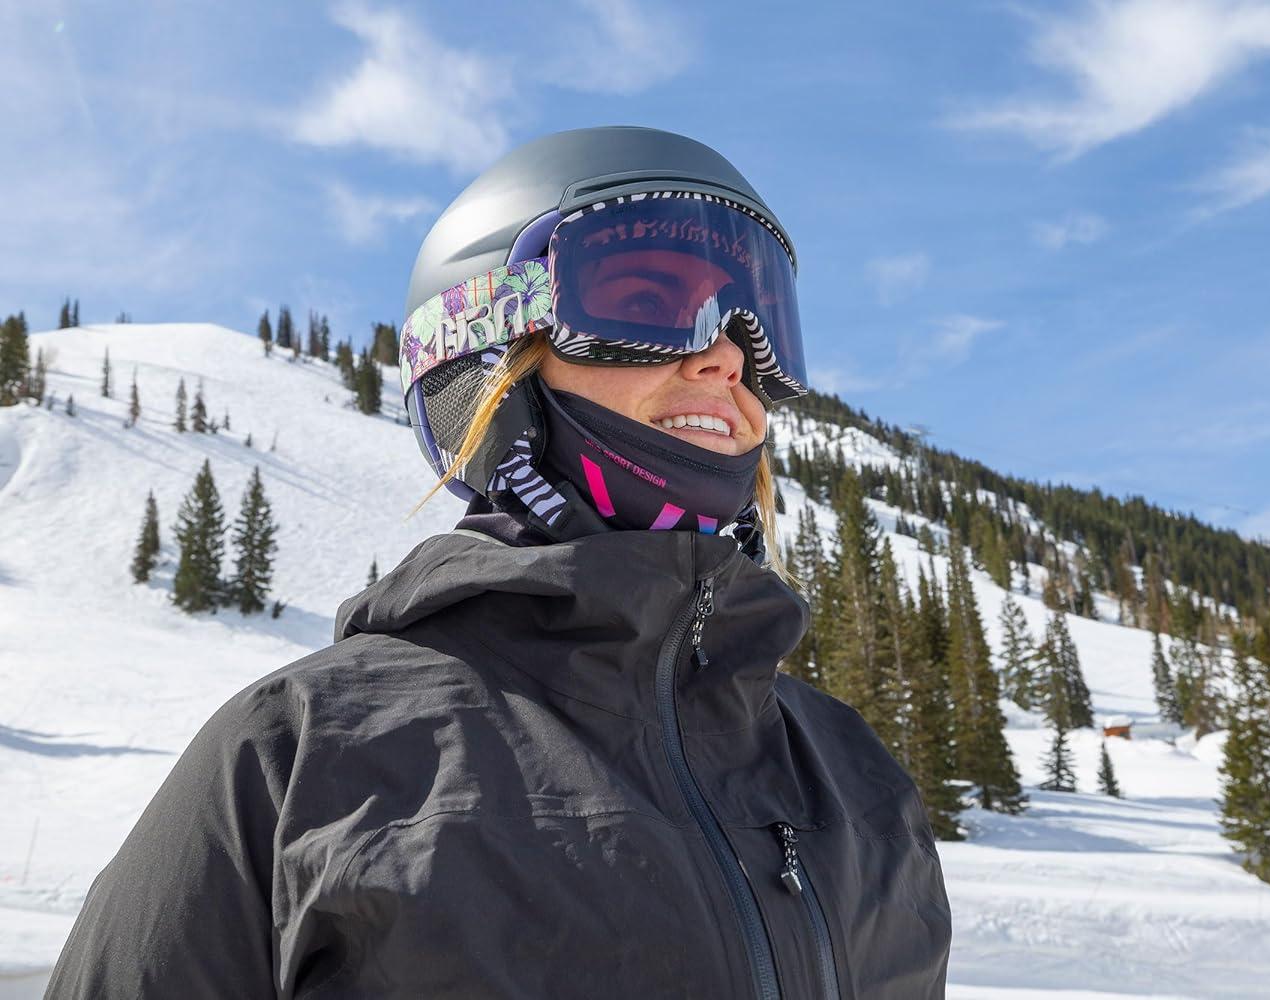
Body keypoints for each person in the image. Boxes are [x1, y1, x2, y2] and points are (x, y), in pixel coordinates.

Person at [46, 126, 951, 999]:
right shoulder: (303, 757)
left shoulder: (854, 775)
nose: (725, 358)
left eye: (761, 331)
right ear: (489, 356)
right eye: (646, 306)